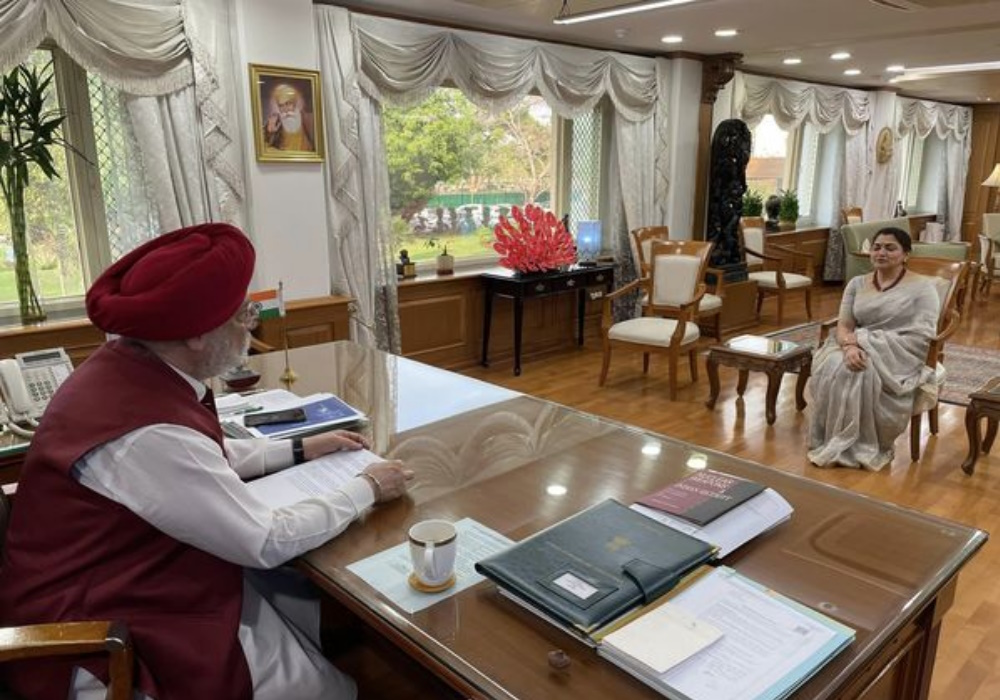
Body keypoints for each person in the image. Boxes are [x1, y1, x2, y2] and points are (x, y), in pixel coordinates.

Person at [0, 223, 412, 700]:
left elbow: (199, 457)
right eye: (242, 314)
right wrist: (367, 487)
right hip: (97, 632)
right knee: (324, 685)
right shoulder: (146, 435)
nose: (251, 325)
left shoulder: (128, 368)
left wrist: (299, 448)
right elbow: (265, 539)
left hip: (130, 571)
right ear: (195, 334)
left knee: (294, 602)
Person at [808, 227, 941, 471]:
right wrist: (849, 347)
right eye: (877, 247)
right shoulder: (857, 283)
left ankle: (864, 445)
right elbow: (844, 324)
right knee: (832, 365)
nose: (881, 252)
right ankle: (831, 439)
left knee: (862, 372)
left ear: (905, 254)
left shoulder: (923, 288)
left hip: (900, 351)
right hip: (854, 343)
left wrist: (867, 344)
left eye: (890, 248)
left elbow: (922, 334)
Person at [263, 82, 315, 152]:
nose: (285, 109)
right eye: (281, 105)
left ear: (295, 104)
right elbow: (262, 145)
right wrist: (269, 133)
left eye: (288, 103)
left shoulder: (309, 120)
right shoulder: (275, 121)